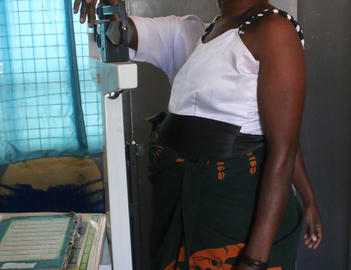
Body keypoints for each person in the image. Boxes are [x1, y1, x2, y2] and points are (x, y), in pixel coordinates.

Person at [74, 0, 323, 269]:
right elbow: (119, 29)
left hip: (235, 215)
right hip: (185, 208)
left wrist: (255, 262)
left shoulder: (273, 28)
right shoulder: (200, 32)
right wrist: (109, 6)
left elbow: (282, 148)